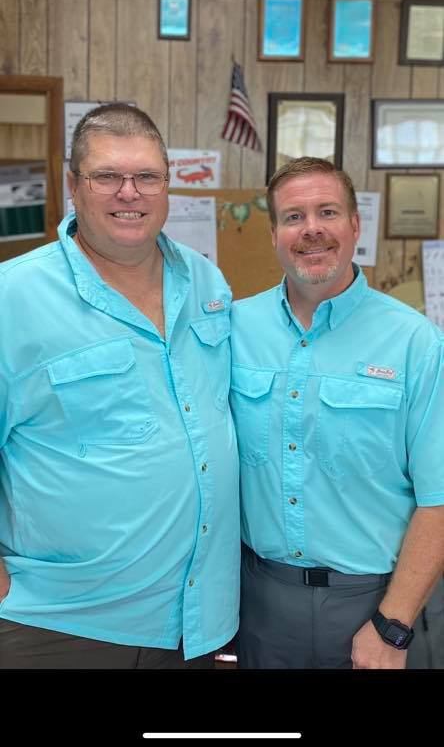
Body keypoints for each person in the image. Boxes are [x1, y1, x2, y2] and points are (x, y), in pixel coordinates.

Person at [0, 103, 239, 669]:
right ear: (73, 187)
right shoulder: (14, 296)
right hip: (62, 623)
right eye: (107, 176)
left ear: (167, 185)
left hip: (197, 622)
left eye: (147, 177)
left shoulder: (206, 281)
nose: (129, 193)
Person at [230, 156, 444, 669]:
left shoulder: (416, 343)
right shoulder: (233, 329)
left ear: (354, 225)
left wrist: (391, 625)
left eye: (327, 212)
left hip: (376, 603)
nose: (312, 229)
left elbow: (438, 499)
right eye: (293, 216)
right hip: (257, 603)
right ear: (274, 234)